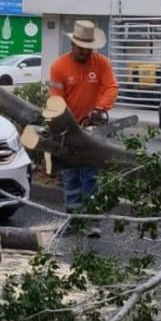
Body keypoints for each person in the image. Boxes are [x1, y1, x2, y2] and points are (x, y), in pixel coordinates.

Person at [47, 20, 120, 226]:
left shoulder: (101, 63)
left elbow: (111, 87)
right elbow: (56, 99)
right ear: (72, 45)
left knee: (91, 176)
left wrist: (99, 108)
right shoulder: (59, 67)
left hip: (93, 129)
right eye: (81, 48)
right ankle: (73, 218)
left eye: (89, 49)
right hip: (68, 129)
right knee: (70, 176)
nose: (85, 53)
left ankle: (91, 221)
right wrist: (65, 122)